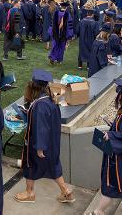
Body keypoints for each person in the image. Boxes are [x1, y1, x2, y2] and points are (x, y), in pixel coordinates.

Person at [14, 69, 75, 204]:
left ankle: (30, 193)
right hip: (52, 141)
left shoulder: (40, 105)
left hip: (39, 143)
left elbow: (41, 127)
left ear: (33, 86)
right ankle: (66, 192)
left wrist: (40, 147)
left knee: (30, 165)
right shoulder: (51, 99)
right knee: (53, 165)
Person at [92, 79, 122, 215]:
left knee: (110, 185)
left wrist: (112, 136)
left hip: (117, 160)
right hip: (116, 156)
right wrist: (112, 129)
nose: (118, 100)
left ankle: (98, 211)